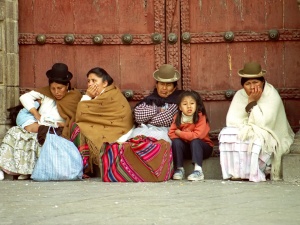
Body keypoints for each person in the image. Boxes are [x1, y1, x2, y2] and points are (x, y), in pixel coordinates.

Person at [99, 64, 183, 182]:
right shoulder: (149, 99)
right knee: (131, 145)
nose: (164, 88)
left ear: (174, 87)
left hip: (163, 132)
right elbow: (138, 116)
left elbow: (166, 118)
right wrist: (158, 110)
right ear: (156, 85)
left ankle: (149, 173)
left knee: (152, 147)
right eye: (161, 84)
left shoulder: (177, 101)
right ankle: (129, 172)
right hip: (142, 130)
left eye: (168, 85)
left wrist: (148, 116)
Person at [0, 63, 82, 180]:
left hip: (56, 129)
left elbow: (76, 118)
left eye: (60, 88)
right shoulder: (45, 94)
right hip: (39, 124)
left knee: (38, 137)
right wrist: (36, 113)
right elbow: (24, 98)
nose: (56, 92)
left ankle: (30, 171)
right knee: (15, 132)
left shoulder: (74, 97)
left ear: (67, 86)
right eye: (53, 88)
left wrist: (62, 124)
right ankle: (6, 168)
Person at [219, 62, 295, 182]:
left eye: (255, 82)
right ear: (243, 86)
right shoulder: (240, 95)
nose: (252, 87)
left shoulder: (271, 94)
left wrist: (251, 102)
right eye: (248, 84)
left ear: (263, 82)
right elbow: (232, 121)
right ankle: (238, 172)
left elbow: (264, 123)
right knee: (227, 134)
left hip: (270, 134)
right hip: (248, 129)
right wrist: (248, 126)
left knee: (257, 139)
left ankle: (257, 171)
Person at [70, 67, 134, 178]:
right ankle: (85, 166)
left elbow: (81, 114)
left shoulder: (110, 95)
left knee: (77, 127)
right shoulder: (101, 96)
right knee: (78, 127)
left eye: (94, 81)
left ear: (104, 83)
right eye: (88, 81)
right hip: (113, 134)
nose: (90, 84)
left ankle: (85, 167)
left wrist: (88, 96)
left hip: (119, 137)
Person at [168, 90, 213, 181]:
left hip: (203, 148)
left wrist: (180, 133)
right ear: (180, 107)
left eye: (192, 103)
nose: (189, 106)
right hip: (188, 149)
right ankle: (179, 169)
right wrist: (187, 136)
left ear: (196, 105)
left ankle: (198, 171)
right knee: (176, 142)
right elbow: (171, 133)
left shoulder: (201, 117)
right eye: (185, 104)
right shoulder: (178, 117)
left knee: (195, 141)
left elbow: (197, 135)